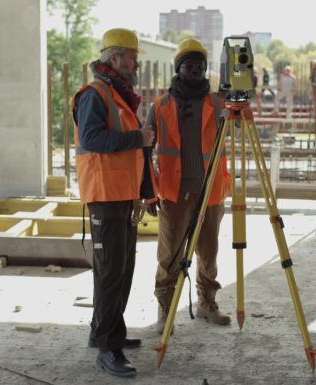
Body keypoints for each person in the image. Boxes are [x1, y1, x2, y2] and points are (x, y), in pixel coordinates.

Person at [72, 27, 156, 378]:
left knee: (120, 270)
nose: (137, 63)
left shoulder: (118, 95)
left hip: (121, 194)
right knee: (111, 273)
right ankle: (109, 347)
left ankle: (104, 331)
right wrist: (138, 136)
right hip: (105, 195)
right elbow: (93, 139)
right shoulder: (95, 94)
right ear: (116, 58)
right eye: (133, 57)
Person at [145, 38, 232, 335]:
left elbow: (243, 127)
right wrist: (148, 193)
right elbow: (145, 153)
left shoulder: (219, 103)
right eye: (189, 66)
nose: (195, 70)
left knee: (208, 252)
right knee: (169, 254)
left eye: (200, 66)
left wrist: (237, 112)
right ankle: (165, 308)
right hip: (174, 192)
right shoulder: (159, 107)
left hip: (211, 191)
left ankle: (207, 302)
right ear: (178, 69)